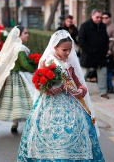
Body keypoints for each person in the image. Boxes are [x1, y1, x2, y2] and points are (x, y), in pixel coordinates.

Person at [17, 30, 105, 162]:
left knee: (73, 135)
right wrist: (49, 90)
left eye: (70, 49)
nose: (68, 53)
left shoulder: (69, 63)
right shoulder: (47, 62)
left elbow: (79, 83)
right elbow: (39, 84)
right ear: (55, 48)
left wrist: (81, 90)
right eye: (65, 50)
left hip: (71, 104)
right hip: (48, 107)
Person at [0, 25, 36, 133]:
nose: (27, 35)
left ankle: (15, 124)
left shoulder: (12, 46)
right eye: (25, 33)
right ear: (18, 35)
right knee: (27, 98)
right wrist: (34, 67)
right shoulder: (20, 48)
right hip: (20, 76)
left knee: (14, 100)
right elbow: (24, 63)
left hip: (11, 76)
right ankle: (30, 122)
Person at [78, 9, 109, 99]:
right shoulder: (85, 26)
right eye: (97, 17)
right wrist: (90, 50)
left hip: (101, 55)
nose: (99, 19)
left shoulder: (102, 26)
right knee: (83, 74)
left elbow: (105, 39)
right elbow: (81, 40)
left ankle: (103, 91)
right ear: (92, 16)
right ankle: (79, 91)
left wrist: (106, 49)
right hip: (88, 55)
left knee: (103, 73)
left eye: (101, 17)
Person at [102, 11, 114, 94]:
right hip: (101, 51)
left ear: (109, 18)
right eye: (103, 18)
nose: (104, 19)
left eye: (106, 18)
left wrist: (110, 49)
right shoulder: (100, 26)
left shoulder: (113, 27)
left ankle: (110, 87)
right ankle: (104, 87)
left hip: (109, 51)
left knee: (109, 70)